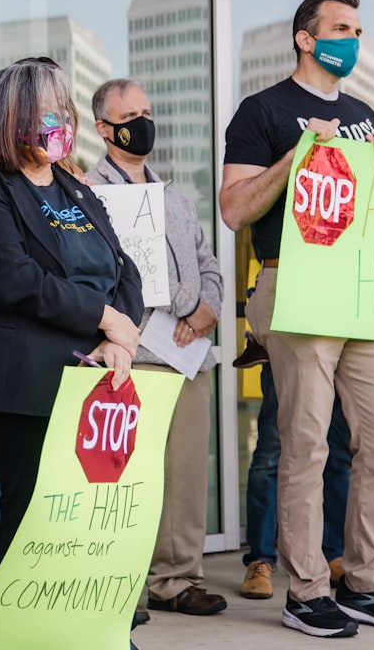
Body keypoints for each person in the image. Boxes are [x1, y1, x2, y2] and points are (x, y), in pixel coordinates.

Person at [221, 0, 374, 638]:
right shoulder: (263, 111)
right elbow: (234, 209)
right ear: (305, 39)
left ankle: (367, 580)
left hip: (364, 288)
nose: (352, 39)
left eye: (358, 30)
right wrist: (297, 155)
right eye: (340, 28)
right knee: (306, 444)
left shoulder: (364, 113)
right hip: (296, 284)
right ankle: (306, 589)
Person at [0, 57, 144, 564]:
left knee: (87, 517)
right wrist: (105, 317)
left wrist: (115, 337)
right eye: (49, 112)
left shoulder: (76, 189)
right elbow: (16, 280)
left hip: (92, 374)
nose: (64, 123)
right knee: (34, 519)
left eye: (65, 111)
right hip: (24, 383)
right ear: (11, 118)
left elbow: (124, 269)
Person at [87, 77, 228, 615]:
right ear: (104, 128)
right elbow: (105, 274)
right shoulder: (89, 193)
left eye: (148, 110)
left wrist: (206, 311)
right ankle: (118, 583)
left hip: (188, 358)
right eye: (131, 114)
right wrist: (175, 310)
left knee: (187, 473)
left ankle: (176, 580)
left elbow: (206, 261)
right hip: (136, 356)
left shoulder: (174, 196)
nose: (144, 122)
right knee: (127, 478)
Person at [238, 362, 351, 599]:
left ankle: (333, 554)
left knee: (338, 454)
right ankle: (260, 559)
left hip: (346, 345)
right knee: (272, 452)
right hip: (288, 344)